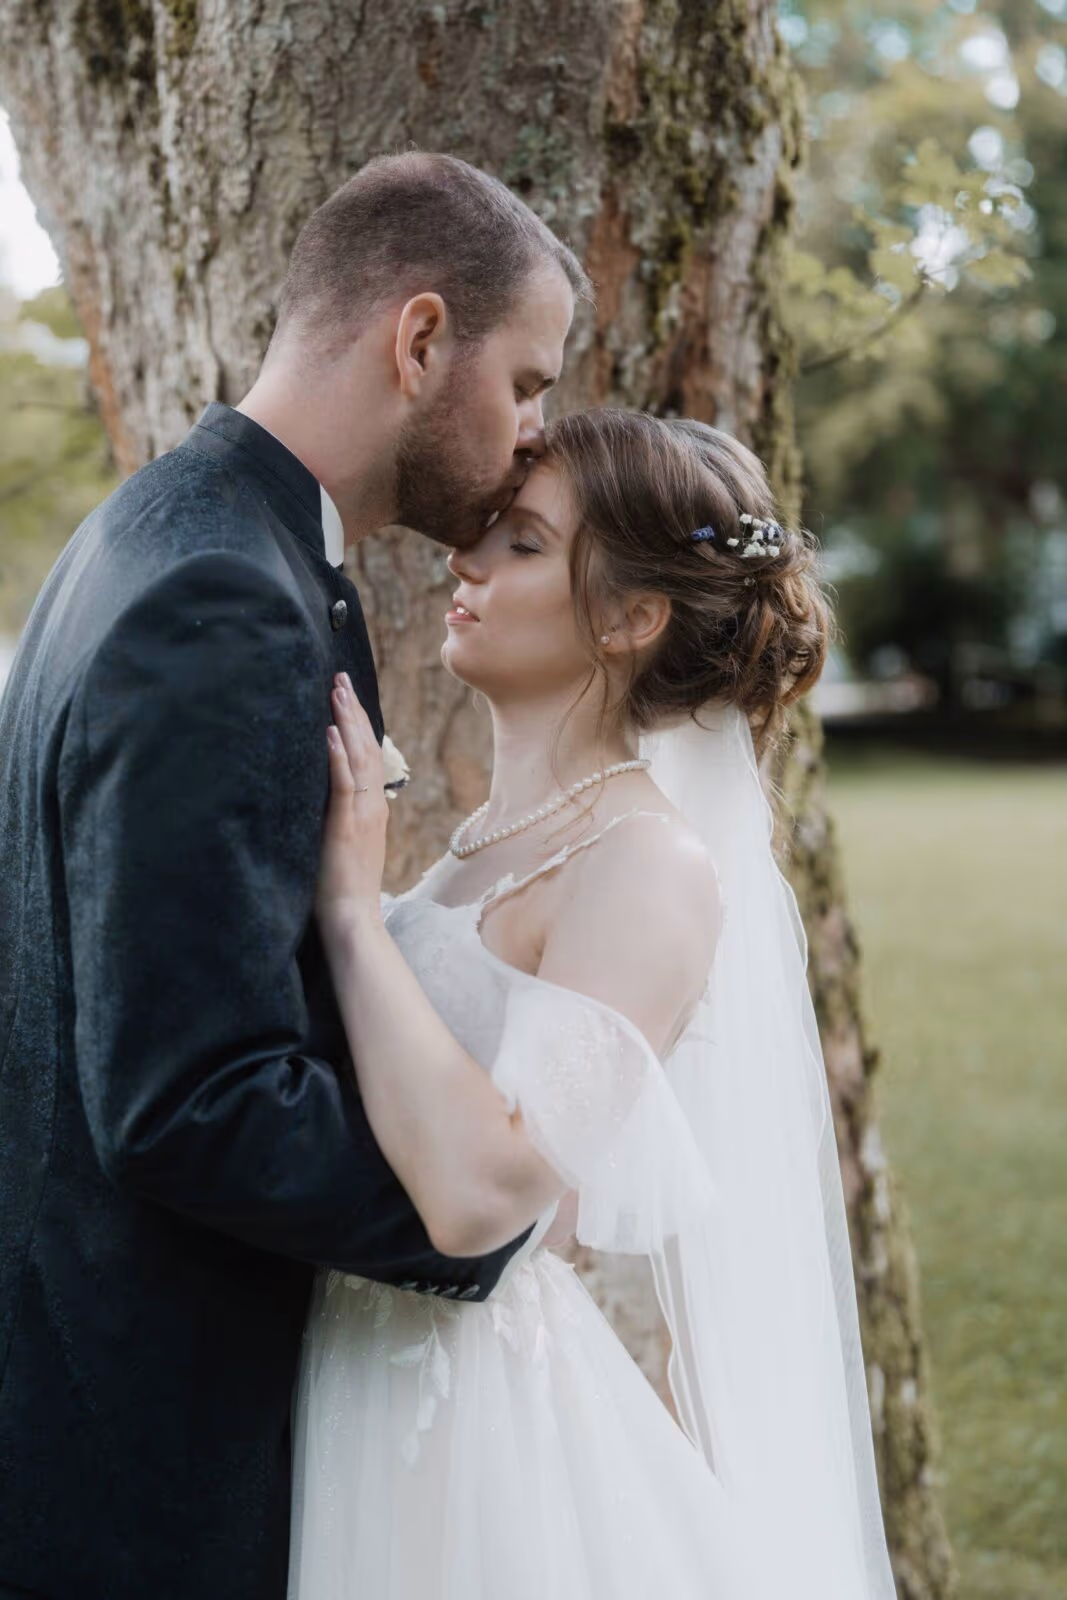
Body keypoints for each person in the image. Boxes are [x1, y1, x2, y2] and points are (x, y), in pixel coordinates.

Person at [0, 153, 587, 1600]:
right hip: (146, 1446)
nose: (530, 436)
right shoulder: (224, 596)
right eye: (525, 383)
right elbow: (188, 1097)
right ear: (419, 339)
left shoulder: (165, 532)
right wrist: (482, 1215)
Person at [294, 408, 899, 1599]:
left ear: (630, 618)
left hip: (466, 1431)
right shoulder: (485, 842)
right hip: (355, 1369)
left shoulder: (648, 865)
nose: (464, 564)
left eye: (521, 544)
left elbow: (483, 1199)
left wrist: (353, 915)